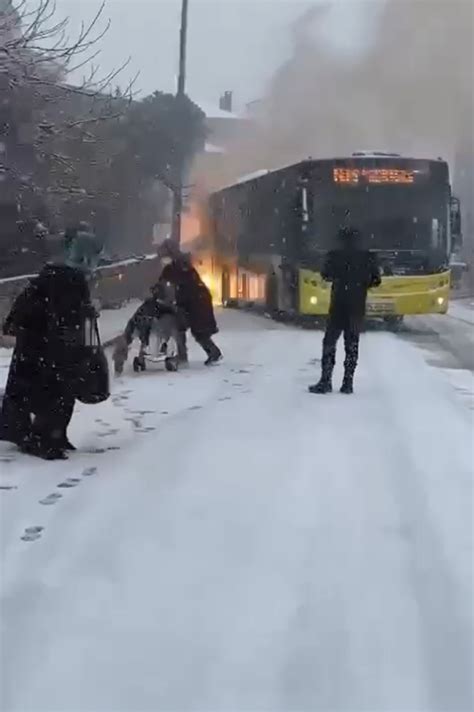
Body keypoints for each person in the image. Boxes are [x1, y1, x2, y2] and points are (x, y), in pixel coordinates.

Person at [0, 224, 102, 460]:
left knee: (46, 392)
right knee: (54, 393)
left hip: (39, 343)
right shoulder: (69, 278)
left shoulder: (58, 274)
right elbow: (64, 313)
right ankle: (43, 439)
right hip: (47, 345)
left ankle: (46, 436)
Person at [309, 227, 381, 395]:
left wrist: (341, 279)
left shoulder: (334, 255)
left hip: (338, 305)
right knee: (352, 344)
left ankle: (325, 381)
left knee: (329, 342)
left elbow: (326, 274)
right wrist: (362, 284)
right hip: (357, 306)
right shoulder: (368, 257)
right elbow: (376, 280)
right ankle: (347, 383)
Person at [157, 240, 222, 366]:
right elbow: (163, 282)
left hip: (197, 302)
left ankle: (211, 353)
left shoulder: (181, 265)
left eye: (165, 256)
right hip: (191, 302)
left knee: (198, 331)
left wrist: (177, 298)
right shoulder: (173, 267)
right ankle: (186, 355)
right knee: (181, 328)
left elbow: (187, 285)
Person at [112, 281, 178, 374]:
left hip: (152, 326)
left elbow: (171, 316)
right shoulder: (149, 304)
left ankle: (163, 350)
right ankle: (121, 363)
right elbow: (135, 318)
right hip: (141, 324)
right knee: (125, 340)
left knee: (163, 330)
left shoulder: (164, 306)